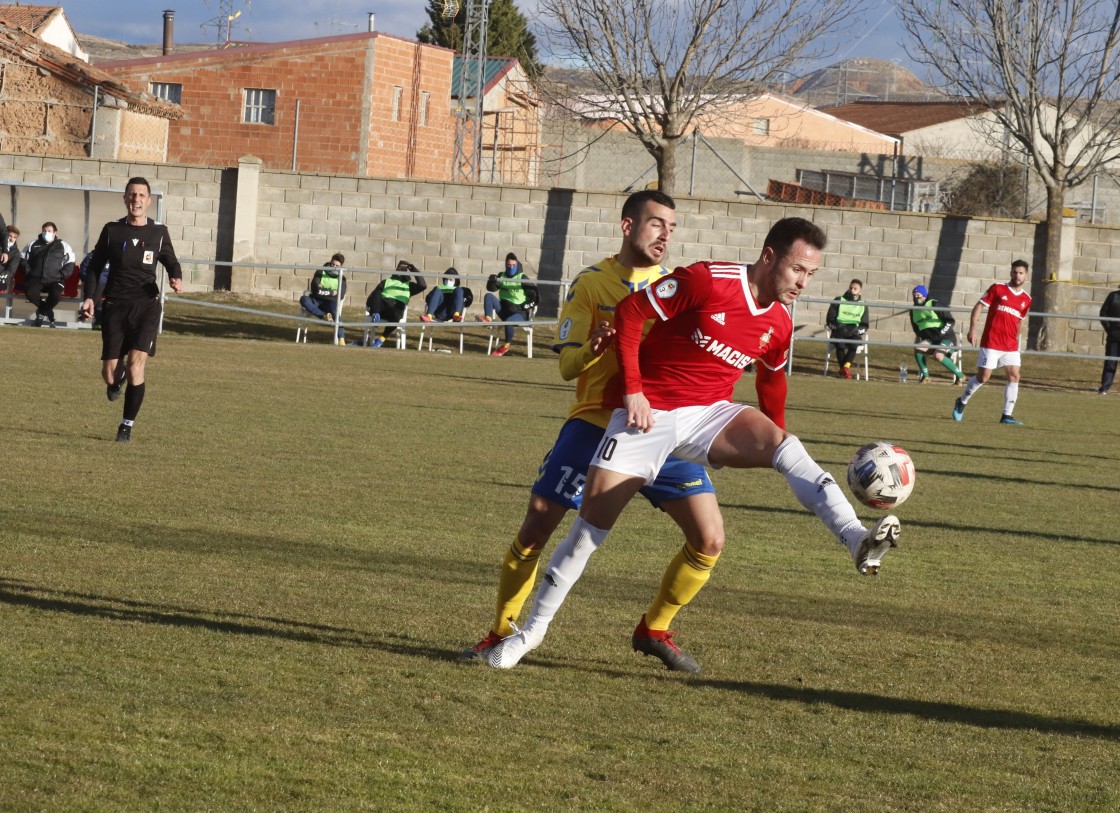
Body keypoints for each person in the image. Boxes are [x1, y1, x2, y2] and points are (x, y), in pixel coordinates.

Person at [487, 217, 901, 670]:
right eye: (797, 270)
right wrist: (633, 390)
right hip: (648, 414)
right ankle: (531, 634)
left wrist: (774, 443)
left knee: (786, 451)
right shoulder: (707, 281)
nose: (803, 282)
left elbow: (771, 384)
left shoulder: (779, 322)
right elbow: (630, 313)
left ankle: (857, 538)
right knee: (588, 533)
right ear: (769, 257)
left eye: (811, 275)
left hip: (707, 414)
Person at [462, 189, 727, 673]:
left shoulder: (679, 287)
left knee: (709, 538)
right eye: (655, 224)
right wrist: (597, 349)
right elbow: (567, 366)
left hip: (662, 427)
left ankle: (654, 629)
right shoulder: (591, 284)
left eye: (671, 227)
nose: (665, 234)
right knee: (537, 525)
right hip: (595, 423)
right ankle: (500, 632)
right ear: (627, 226)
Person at [79, 177, 183, 443]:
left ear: (149, 201)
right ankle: (118, 377)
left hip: (146, 306)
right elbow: (94, 266)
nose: (136, 199)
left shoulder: (158, 232)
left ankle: (125, 427)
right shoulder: (112, 230)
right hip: (114, 305)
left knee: (138, 366)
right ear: (125, 199)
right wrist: (90, 297)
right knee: (110, 375)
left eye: (141, 195)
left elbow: (170, 260)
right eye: (131, 195)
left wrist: (175, 276)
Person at [952, 260, 1032, 425]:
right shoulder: (998, 288)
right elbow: (979, 306)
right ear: (1010, 273)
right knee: (983, 377)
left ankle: (1007, 416)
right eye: (1015, 272)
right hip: (992, 342)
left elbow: (1020, 321)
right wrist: (973, 329)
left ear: (1026, 275)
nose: (1017, 276)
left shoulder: (1026, 299)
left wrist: (1015, 340)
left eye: (1021, 273)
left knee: (1015, 376)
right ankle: (962, 401)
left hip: (1010, 346)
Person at [481, 252, 539, 357]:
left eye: (513, 265)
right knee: (488, 296)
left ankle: (506, 346)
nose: (510, 267)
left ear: (517, 265)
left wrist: (524, 306)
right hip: (504, 309)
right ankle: (488, 319)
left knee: (509, 321)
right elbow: (491, 289)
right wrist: (492, 281)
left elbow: (535, 297)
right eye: (508, 265)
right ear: (505, 265)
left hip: (519, 313)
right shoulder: (501, 276)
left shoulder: (522, 277)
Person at [22, 222, 77, 327]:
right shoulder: (33, 244)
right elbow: (22, 258)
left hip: (55, 279)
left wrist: (62, 275)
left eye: (49, 231)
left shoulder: (64, 246)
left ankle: (42, 312)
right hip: (36, 278)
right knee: (30, 293)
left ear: (55, 233)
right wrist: (29, 272)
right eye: (44, 231)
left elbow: (70, 263)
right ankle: (47, 310)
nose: (46, 233)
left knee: (56, 295)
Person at [909, 285, 965, 384]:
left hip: (946, 337)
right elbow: (916, 328)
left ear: (925, 295)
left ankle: (960, 376)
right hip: (932, 339)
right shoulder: (913, 310)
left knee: (938, 355)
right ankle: (926, 377)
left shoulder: (934, 304)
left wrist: (941, 333)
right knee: (918, 348)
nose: (916, 297)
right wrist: (925, 337)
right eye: (914, 295)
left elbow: (950, 321)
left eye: (919, 295)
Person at [366, 260, 426, 348]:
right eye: (400, 267)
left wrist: (414, 270)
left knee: (396, 315)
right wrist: (372, 308)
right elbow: (372, 298)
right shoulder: (386, 281)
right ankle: (375, 316)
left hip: (395, 308)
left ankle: (381, 339)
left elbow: (423, 285)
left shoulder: (409, 286)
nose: (401, 270)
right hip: (381, 307)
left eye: (404, 268)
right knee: (377, 293)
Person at [299, 253, 347, 345]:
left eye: (337, 266)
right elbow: (315, 289)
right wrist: (332, 292)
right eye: (332, 264)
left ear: (341, 266)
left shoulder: (342, 278)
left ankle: (341, 339)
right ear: (330, 262)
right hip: (316, 300)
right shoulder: (320, 271)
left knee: (335, 312)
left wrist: (323, 290)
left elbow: (340, 295)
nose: (334, 267)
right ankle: (324, 316)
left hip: (330, 303)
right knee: (303, 299)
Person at [825, 278, 869, 379]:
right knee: (839, 344)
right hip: (839, 329)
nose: (852, 290)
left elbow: (865, 325)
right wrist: (837, 328)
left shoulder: (863, 305)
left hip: (853, 331)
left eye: (855, 288)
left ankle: (844, 368)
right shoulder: (839, 300)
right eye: (851, 287)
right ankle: (845, 369)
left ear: (860, 291)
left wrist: (857, 330)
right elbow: (830, 319)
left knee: (854, 344)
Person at [78, 251, 111, 328]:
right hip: (93, 284)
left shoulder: (113, 257)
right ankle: (97, 320)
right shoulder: (91, 256)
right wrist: (88, 280)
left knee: (100, 285)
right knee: (97, 288)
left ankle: (86, 312)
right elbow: (83, 270)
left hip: (109, 285)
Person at [1099, 283, 1120, 395]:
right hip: (1114, 334)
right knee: (1110, 361)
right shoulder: (1113, 296)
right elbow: (1103, 313)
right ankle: (1105, 387)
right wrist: (1109, 329)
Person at [0, 224, 19, 293]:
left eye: (14, 237)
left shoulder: (16, 253)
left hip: (2, 279)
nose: (11, 239)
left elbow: (10, 270)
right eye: (10, 235)